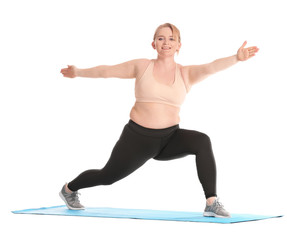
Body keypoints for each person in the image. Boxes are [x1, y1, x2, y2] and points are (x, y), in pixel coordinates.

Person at [59, 23, 259, 218]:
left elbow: (211, 67)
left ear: (179, 45)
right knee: (107, 176)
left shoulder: (186, 73)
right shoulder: (142, 66)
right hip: (137, 139)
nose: (166, 42)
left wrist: (236, 58)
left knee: (202, 141)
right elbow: (106, 71)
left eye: (172, 39)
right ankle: (69, 189)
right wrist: (78, 72)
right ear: (153, 44)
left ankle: (211, 202)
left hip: (170, 138)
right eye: (161, 38)